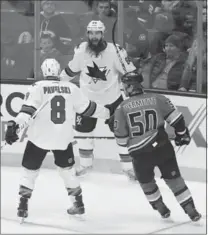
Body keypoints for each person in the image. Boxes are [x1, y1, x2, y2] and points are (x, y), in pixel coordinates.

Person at [4, 58, 111, 220]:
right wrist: (109, 113)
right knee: (67, 172)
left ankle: (23, 205)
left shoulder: (37, 87)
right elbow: (88, 108)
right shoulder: (71, 88)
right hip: (63, 138)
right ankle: (78, 204)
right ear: (58, 70)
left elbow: (27, 111)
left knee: (29, 171)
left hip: (39, 138)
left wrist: (14, 125)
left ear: (42, 71)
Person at [113, 71, 201, 221]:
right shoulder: (157, 98)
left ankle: (161, 208)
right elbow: (177, 120)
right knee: (174, 179)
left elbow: (121, 140)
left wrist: (121, 132)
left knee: (146, 182)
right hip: (162, 146)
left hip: (140, 153)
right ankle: (190, 209)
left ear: (128, 87)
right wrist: (182, 134)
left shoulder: (121, 108)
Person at [60, 20, 136, 178]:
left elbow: (130, 72)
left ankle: (128, 168)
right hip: (86, 102)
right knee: (82, 134)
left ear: (103, 33)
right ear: (87, 34)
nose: (94, 37)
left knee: (122, 134)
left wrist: (133, 83)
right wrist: (56, 83)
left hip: (113, 100)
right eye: (91, 33)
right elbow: (70, 71)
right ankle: (86, 165)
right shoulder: (81, 50)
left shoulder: (116, 51)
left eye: (97, 33)